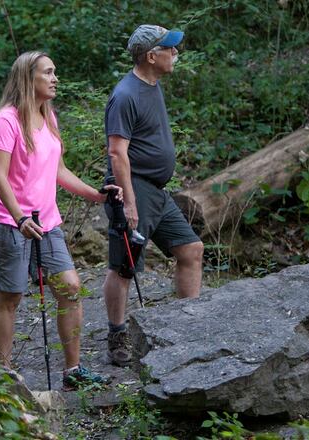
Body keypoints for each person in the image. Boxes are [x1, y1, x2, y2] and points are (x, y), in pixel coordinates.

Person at [0, 51, 121, 390]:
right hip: (8, 221)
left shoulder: (49, 116)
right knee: (10, 297)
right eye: (48, 72)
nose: (55, 78)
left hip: (47, 222)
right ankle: (2, 376)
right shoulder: (7, 120)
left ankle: (73, 372)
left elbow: (58, 171)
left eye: (55, 72)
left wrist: (97, 195)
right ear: (29, 79)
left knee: (70, 287)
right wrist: (18, 217)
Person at [102, 25, 204, 366]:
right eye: (170, 49)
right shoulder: (125, 94)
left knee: (190, 248)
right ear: (151, 56)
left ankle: (186, 327)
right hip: (135, 188)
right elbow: (117, 153)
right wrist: (128, 202)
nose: (176, 54)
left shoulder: (152, 86)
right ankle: (117, 335)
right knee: (124, 265)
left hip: (156, 192)